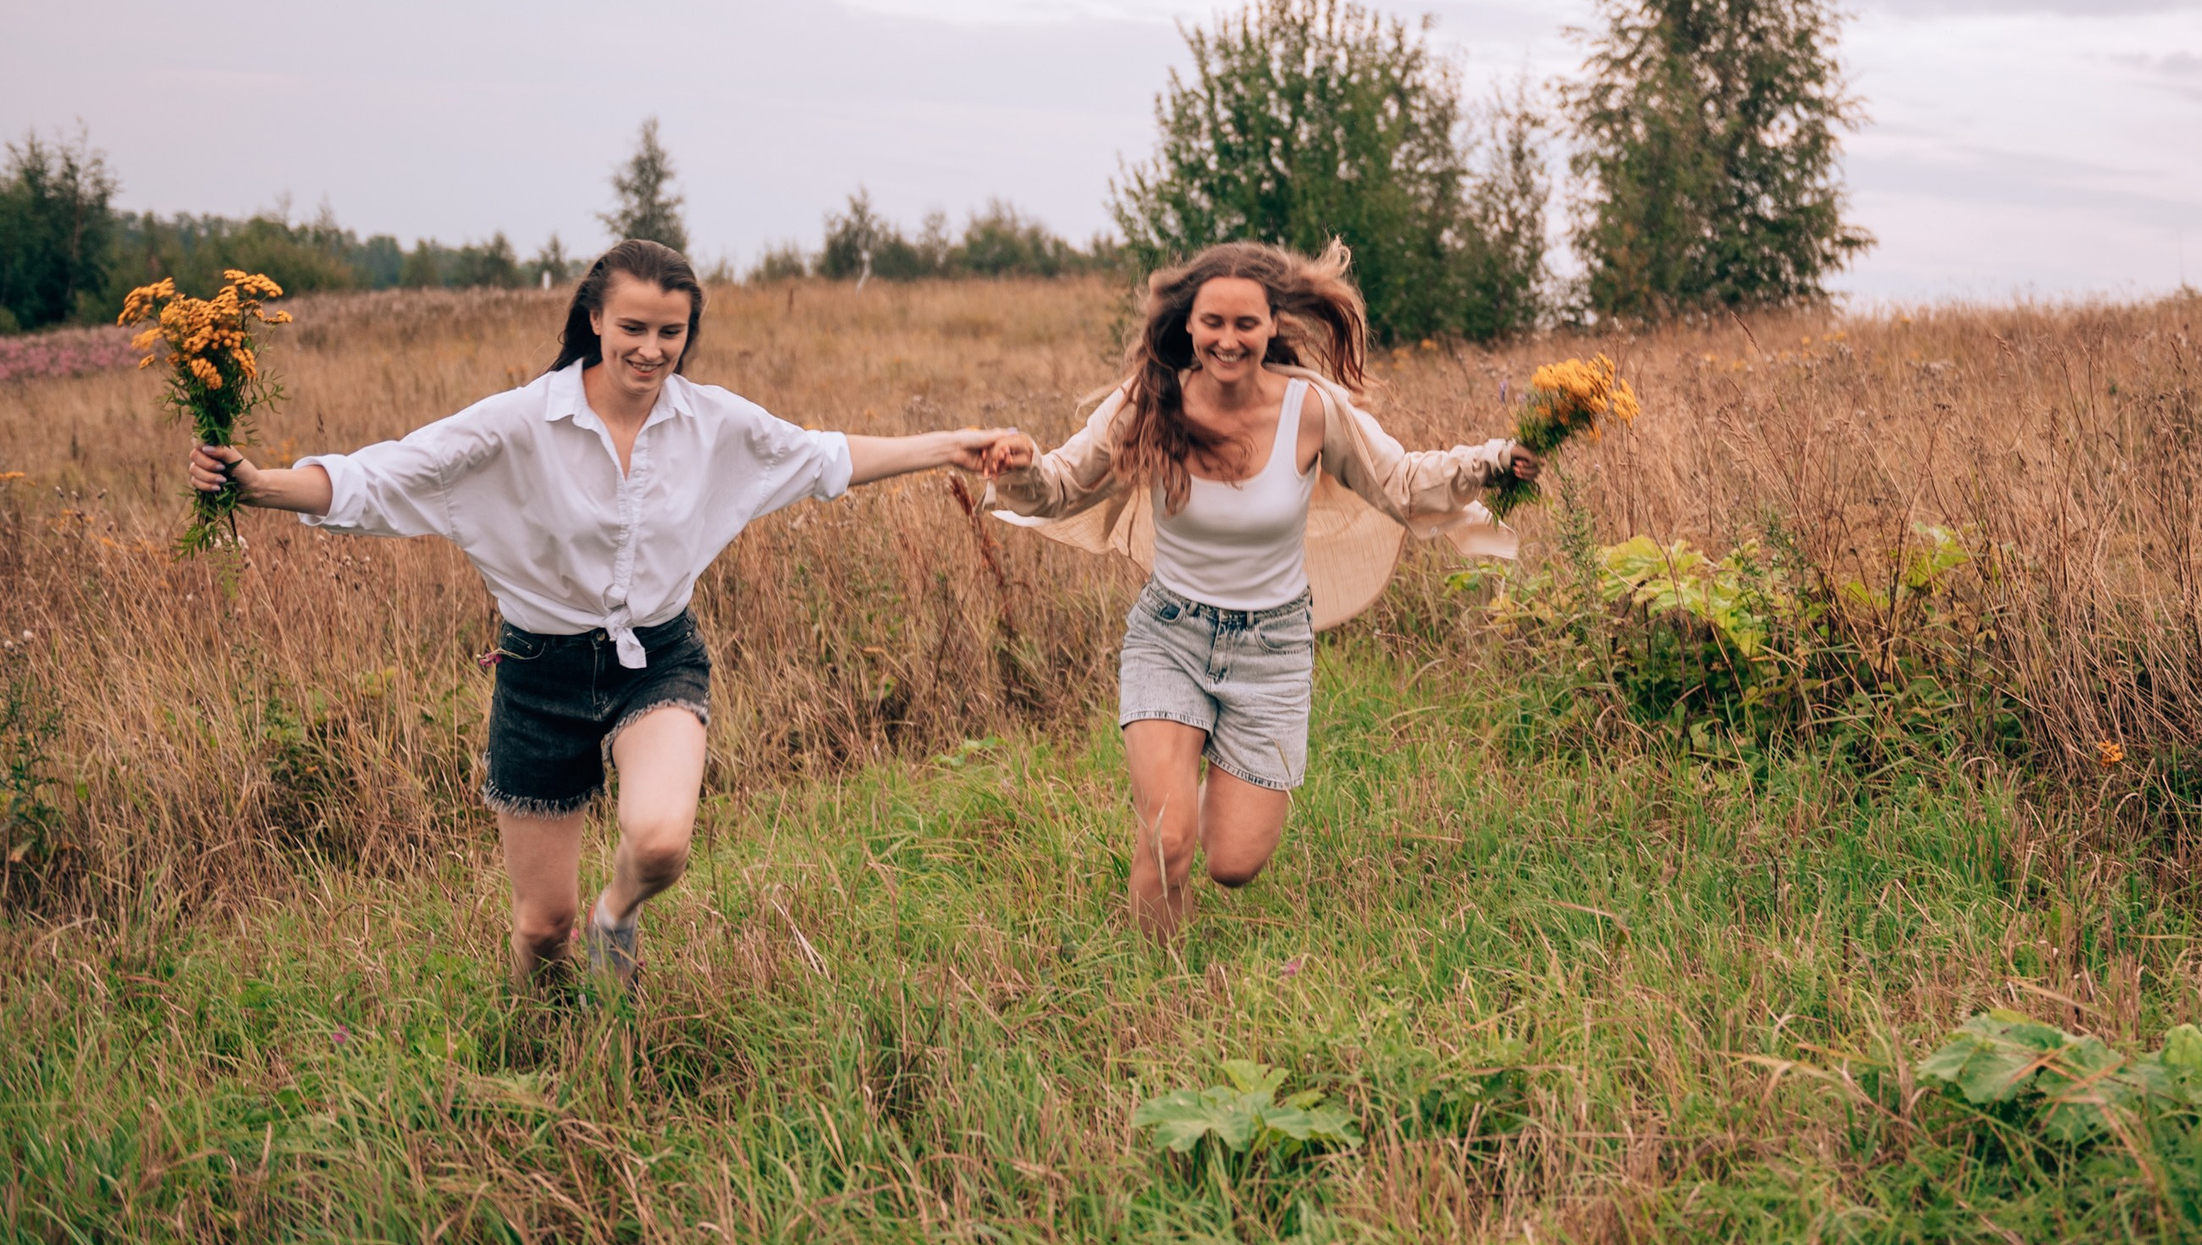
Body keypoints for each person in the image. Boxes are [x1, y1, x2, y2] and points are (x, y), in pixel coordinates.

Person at [186, 239, 1000, 988]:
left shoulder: (712, 421)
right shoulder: (520, 422)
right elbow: (387, 476)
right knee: (544, 927)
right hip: (541, 677)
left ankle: (619, 915)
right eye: (635, 327)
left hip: (658, 658)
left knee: (660, 843)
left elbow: (824, 457)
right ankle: (536, 1045)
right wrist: (261, 486)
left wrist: (949, 445)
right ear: (594, 319)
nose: (652, 349)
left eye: (671, 332)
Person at [979, 240, 1540, 941]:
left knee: (1234, 864)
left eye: (1246, 323)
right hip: (1171, 635)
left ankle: (1210, 770)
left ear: (1273, 326)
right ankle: (1163, 997)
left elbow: (1399, 482)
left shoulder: (1312, 409)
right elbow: (1060, 487)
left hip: (1271, 649)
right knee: (1167, 839)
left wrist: (1489, 461)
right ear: (1189, 325)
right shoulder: (1150, 401)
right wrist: (1021, 467)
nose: (1228, 338)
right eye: (1213, 321)